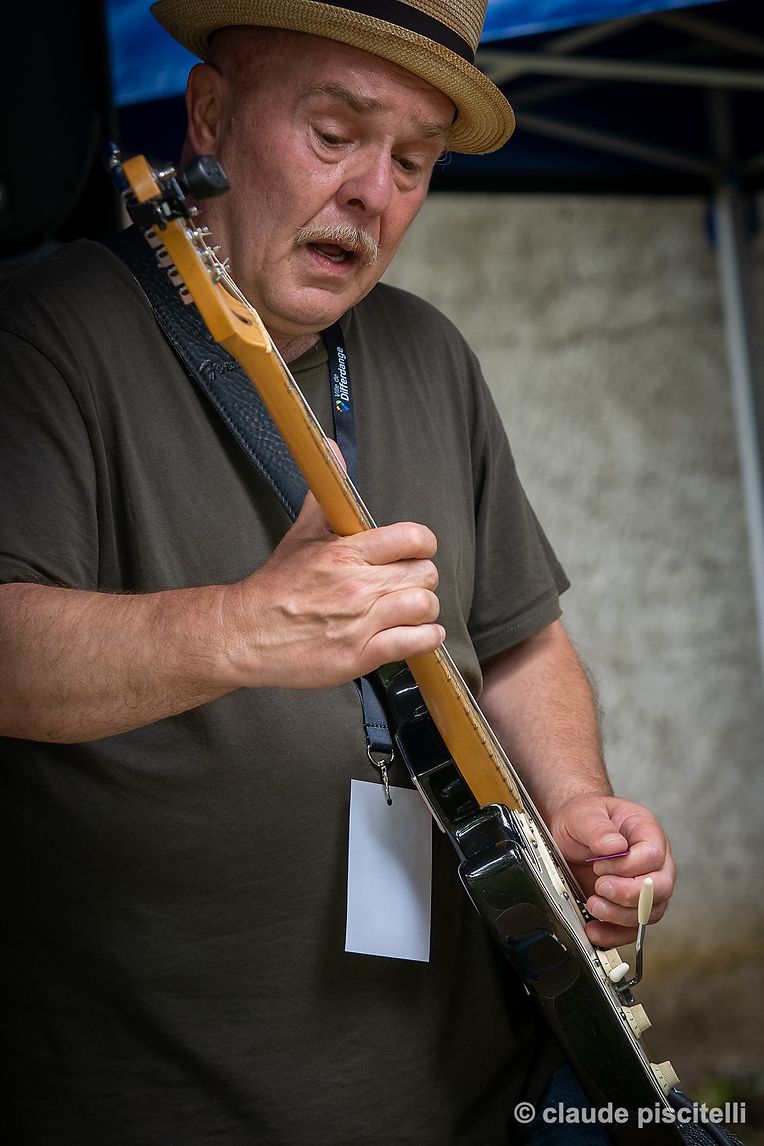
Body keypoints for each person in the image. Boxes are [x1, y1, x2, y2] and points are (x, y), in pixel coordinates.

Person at [0, 2, 676, 1142]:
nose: (373, 191)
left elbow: (516, 637)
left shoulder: (427, 350)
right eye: (334, 134)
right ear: (210, 113)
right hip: (161, 1101)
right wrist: (235, 629)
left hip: (476, 1089)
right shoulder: (45, 330)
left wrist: (574, 807)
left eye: (411, 160)